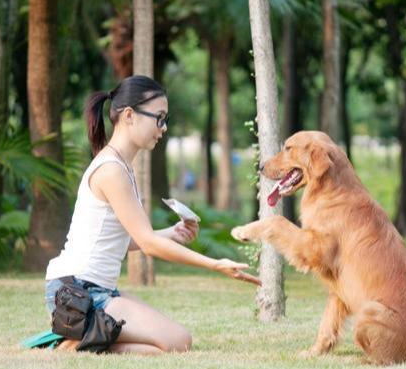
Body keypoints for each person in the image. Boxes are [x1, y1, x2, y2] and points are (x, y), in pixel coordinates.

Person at [44, 75, 260, 355]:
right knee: (177, 342)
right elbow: (146, 243)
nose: (164, 127)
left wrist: (170, 234)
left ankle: (84, 337)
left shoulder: (122, 167)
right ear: (130, 115)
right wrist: (215, 264)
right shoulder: (111, 170)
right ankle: (76, 342)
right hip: (77, 294)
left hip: (92, 292)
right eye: (159, 118)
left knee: (171, 342)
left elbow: (126, 240)